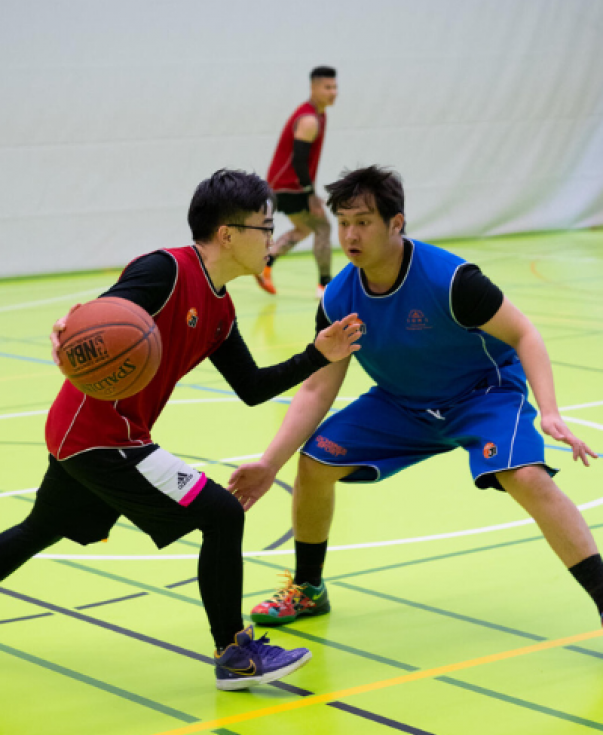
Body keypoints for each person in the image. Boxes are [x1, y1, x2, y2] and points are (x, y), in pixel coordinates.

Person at [0, 169, 362, 690]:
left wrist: (316, 355)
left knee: (40, 528)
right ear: (228, 235)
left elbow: (252, 387)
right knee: (221, 513)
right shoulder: (166, 270)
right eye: (265, 227)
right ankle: (236, 654)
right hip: (102, 436)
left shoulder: (220, 308)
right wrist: (69, 323)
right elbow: (103, 313)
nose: (272, 238)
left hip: (91, 435)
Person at [229, 165, 603, 630]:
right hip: (402, 403)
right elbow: (318, 387)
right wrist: (270, 463)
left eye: (363, 222)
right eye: (344, 223)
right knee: (315, 462)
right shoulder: (339, 298)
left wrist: (549, 411)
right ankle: (308, 589)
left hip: (482, 394)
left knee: (527, 477)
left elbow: (525, 333)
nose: (350, 235)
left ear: (397, 223)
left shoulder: (451, 280)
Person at [255, 66, 338, 299]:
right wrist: (310, 193)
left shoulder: (318, 113)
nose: (333, 92)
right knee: (322, 227)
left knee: (304, 229)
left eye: (335, 87)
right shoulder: (309, 119)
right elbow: (299, 160)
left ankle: (266, 262)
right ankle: (324, 285)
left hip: (284, 185)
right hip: (290, 185)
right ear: (313, 88)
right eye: (327, 87)